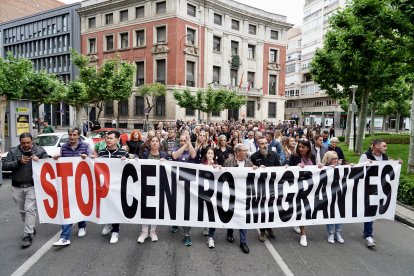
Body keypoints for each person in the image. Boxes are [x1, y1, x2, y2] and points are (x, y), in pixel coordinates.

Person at [2, 132, 48, 248]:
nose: (26, 145)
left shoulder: (39, 150)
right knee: (23, 211)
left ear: (32, 141)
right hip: (17, 186)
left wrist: (40, 160)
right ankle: (30, 226)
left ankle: (27, 235)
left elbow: (48, 164)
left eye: (28, 142)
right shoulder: (13, 151)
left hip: (32, 186)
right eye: (23, 143)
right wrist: (18, 162)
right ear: (20, 142)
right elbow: (4, 166)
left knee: (29, 210)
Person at [358, 139, 402, 248]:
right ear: (376, 146)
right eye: (384, 146)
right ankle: (369, 235)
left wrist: (397, 163)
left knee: (372, 211)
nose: (386, 148)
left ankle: (367, 232)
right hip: (368, 188)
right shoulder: (365, 156)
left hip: (379, 189)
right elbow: (358, 170)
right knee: (370, 211)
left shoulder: (385, 157)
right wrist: (366, 164)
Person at [52, 127, 91, 247]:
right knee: (67, 208)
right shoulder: (63, 147)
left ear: (78, 135)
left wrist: (87, 158)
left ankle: (82, 225)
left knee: (81, 204)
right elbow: (61, 163)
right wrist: (57, 158)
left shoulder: (85, 146)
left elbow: (93, 162)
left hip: (82, 182)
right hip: (68, 182)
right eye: (70, 135)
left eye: (74, 135)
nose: (72, 137)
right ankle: (65, 237)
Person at [223, 143, 257, 254]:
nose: (246, 153)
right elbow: (223, 175)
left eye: (246, 151)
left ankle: (243, 241)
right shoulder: (229, 162)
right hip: (231, 193)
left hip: (244, 194)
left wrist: (257, 169)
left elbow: (254, 176)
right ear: (237, 152)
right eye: (244, 151)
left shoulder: (249, 163)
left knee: (243, 217)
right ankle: (230, 232)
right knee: (231, 213)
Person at [99, 131, 130, 244]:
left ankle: (115, 231)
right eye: (107, 138)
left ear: (117, 140)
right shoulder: (101, 152)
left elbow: (129, 167)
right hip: (105, 186)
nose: (108, 140)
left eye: (111, 138)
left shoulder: (123, 153)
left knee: (116, 207)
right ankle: (109, 223)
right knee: (106, 206)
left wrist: (126, 161)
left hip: (117, 186)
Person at [137, 136, 168, 243]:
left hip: (158, 186)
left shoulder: (163, 155)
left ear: (159, 144)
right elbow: (138, 165)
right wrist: (136, 161)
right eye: (153, 141)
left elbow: (169, 170)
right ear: (150, 144)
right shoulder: (145, 154)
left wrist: (166, 162)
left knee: (155, 209)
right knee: (145, 208)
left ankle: (153, 231)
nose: (154, 143)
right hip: (145, 185)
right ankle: (144, 231)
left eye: (156, 141)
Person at [250, 137, 281, 242]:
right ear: (258, 145)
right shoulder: (254, 157)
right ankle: (262, 231)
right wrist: (256, 169)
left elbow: (279, 169)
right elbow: (250, 172)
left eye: (266, 143)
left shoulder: (274, 155)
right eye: (262, 144)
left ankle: (269, 228)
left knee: (271, 209)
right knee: (262, 209)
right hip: (260, 187)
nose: (265, 145)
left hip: (272, 186)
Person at [289, 139, 317, 247]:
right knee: (301, 209)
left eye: (303, 147)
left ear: (308, 148)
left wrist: (318, 166)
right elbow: (287, 170)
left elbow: (314, 171)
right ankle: (303, 234)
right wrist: (296, 167)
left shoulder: (312, 157)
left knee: (305, 209)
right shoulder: (294, 156)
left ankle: (298, 224)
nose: (300, 149)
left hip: (309, 187)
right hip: (297, 187)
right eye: (299, 147)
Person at [171, 132, 196, 246]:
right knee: (175, 206)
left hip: (188, 185)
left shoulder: (191, 147)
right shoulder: (175, 148)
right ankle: (175, 222)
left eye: (184, 140)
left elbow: (193, 155)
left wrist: (188, 144)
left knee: (187, 210)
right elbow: (175, 156)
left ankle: (187, 234)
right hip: (176, 183)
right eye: (181, 140)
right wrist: (184, 145)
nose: (182, 142)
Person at [322, 151, 345, 244]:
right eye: (333, 158)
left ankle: (338, 232)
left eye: (337, 158)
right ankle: (331, 233)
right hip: (329, 195)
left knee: (340, 213)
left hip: (340, 194)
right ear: (328, 159)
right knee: (330, 214)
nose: (336, 160)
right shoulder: (324, 168)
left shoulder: (342, 168)